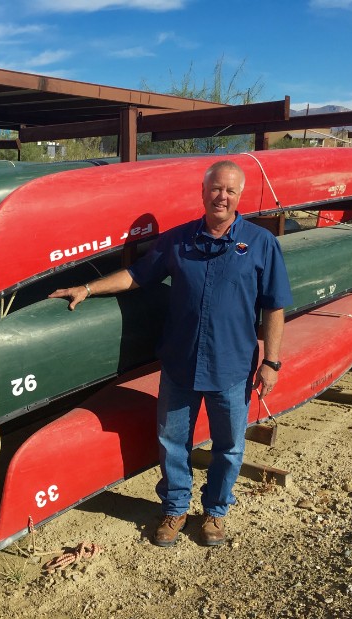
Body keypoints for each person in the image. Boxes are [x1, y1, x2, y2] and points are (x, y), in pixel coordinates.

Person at [48, 159, 293, 548]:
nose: (222, 196)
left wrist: (272, 361)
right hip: (181, 363)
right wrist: (88, 288)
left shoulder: (261, 243)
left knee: (229, 446)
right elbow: (136, 275)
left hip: (231, 366)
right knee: (172, 441)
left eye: (230, 190)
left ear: (239, 196)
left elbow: (275, 306)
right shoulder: (177, 240)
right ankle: (176, 507)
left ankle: (215, 511)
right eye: (215, 188)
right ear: (202, 192)